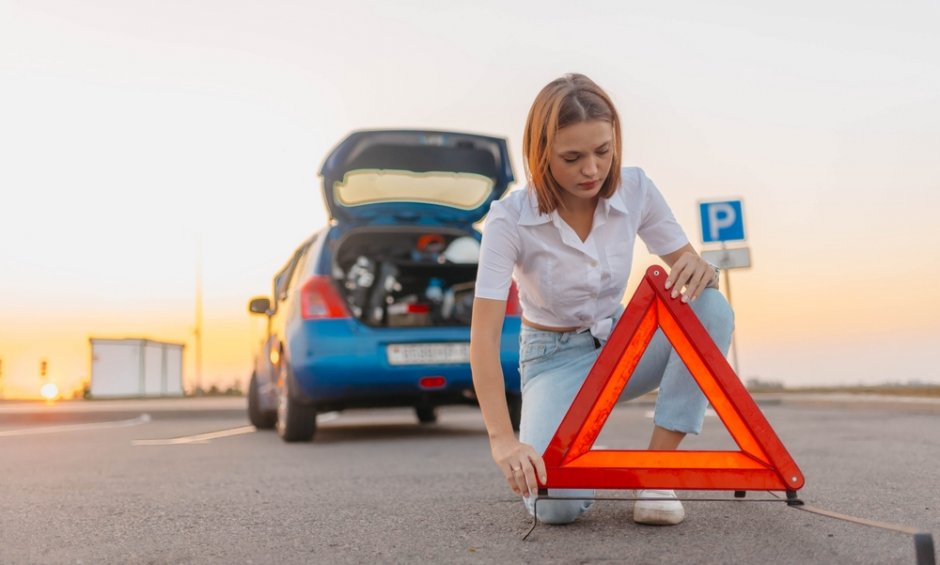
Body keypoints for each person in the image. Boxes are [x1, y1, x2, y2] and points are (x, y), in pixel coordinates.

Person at [469, 73, 734, 526]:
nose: (592, 170)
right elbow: (483, 338)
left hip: (622, 347)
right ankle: (580, 444)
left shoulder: (636, 189)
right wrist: (503, 441)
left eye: (603, 152)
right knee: (555, 508)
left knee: (711, 305)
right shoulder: (508, 219)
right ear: (541, 154)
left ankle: (656, 473)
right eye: (572, 157)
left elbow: (689, 268)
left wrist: (702, 268)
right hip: (552, 362)